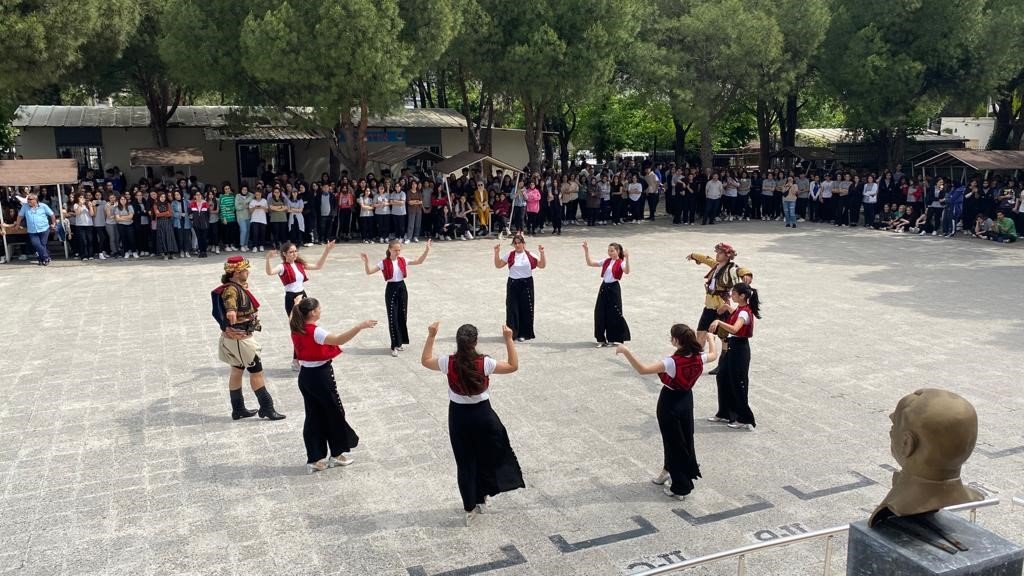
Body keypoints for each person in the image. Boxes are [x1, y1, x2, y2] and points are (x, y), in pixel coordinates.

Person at [419, 321, 525, 526]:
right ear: (475, 342)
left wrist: (431, 335)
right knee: (485, 455)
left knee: (465, 461)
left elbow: (425, 360)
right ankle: (482, 497)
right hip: (483, 414)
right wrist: (509, 339)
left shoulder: (447, 362)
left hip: (458, 417)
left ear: (458, 343)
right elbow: (513, 366)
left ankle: (469, 506)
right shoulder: (485, 363)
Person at [615, 325, 719, 500]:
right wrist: (710, 339)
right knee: (683, 439)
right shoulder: (698, 357)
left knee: (674, 442)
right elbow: (714, 355)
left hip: (670, 402)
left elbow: (643, 370)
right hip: (686, 400)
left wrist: (626, 351)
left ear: (677, 341)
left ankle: (680, 487)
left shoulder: (672, 362)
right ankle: (667, 470)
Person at [288, 295, 377, 473]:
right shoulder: (316, 331)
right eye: (319, 308)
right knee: (335, 414)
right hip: (320, 377)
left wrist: (297, 304)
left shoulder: (296, 326)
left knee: (313, 416)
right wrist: (360, 326)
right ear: (312, 312)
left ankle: (315, 458)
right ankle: (336, 455)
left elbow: (293, 315)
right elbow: (339, 340)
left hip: (305, 377)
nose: (321, 310)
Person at [216, 256, 285, 421]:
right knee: (256, 372)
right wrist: (231, 311)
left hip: (235, 340)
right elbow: (229, 300)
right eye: (245, 269)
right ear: (237, 272)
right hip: (241, 340)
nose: (248, 271)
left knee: (237, 370)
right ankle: (267, 408)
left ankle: (238, 409)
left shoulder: (238, 286)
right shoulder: (231, 289)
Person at [266, 240, 336, 369]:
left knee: (308, 327)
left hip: (302, 295)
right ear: (284, 254)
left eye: (295, 251)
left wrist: (327, 250)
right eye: (291, 252)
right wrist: (268, 259)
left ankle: (304, 356)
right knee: (297, 328)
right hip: (291, 298)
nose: (294, 254)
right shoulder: (282, 267)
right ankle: (296, 360)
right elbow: (270, 272)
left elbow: (318, 266)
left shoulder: (299, 264)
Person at [361, 239, 432, 357]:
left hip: (402, 289)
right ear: (390, 250)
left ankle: (400, 343)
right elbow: (369, 272)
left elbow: (419, 261)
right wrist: (366, 261)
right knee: (392, 318)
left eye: (399, 250)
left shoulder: (403, 260)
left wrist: (427, 250)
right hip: (391, 289)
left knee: (402, 317)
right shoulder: (384, 262)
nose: (398, 252)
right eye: (395, 250)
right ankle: (394, 345)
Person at [708, 283, 761, 431]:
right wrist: (727, 308)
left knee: (737, 383)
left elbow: (735, 328)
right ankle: (725, 412)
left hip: (739, 349)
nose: (732, 295)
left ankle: (744, 418)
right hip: (732, 347)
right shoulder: (741, 309)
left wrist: (719, 321)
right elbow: (737, 316)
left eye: (735, 293)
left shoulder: (744, 312)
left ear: (742, 296)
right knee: (723, 377)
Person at [493, 234, 547, 342]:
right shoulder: (510, 255)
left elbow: (542, 265)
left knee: (526, 308)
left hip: (527, 284)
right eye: (515, 243)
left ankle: (524, 333)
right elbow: (498, 265)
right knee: (512, 308)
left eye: (519, 243)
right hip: (513, 284)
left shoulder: (530, 255)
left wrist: (542, 253)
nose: (517, 245)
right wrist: (496, 253)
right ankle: (512, 333)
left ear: (523, 244)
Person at [582, 240, 631, 347]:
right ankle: (600, 339)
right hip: (604, 287)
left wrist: (627, 259)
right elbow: (590, 263)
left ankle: (612, 339)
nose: (610, 253)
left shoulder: (621, 262)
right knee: (599, 312)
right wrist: (586, 251)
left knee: (613, 314)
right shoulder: (606, 261)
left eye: (612, 251)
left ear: (618, 251)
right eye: (609, 251)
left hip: (614, 289)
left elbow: (627, 271)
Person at [1, 193, 56, 265]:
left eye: (30, 199)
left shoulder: (43, 206)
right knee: (37, 244)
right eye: (27, 199)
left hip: (44, 229)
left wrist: (53, 223)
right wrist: (17, 224)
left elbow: (52, 214)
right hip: (32, 231)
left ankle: (41, 259)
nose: (28, 201)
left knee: (42, 244)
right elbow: (20, 216)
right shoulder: (25, 206)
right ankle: (46, 257)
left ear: (35, 200)